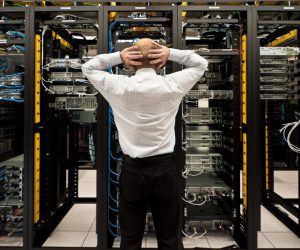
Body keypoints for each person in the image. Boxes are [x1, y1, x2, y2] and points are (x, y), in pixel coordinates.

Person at [82, 38, 208, 250]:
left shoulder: (119, 86)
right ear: (161, 63)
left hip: (133, 171)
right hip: (166, 170)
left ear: (130, 63)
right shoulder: (172, 84)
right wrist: (172, 53)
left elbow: (89, 67)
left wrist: (118, 57)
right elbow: (200, 63)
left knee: (130, 239)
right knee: (169, 238)